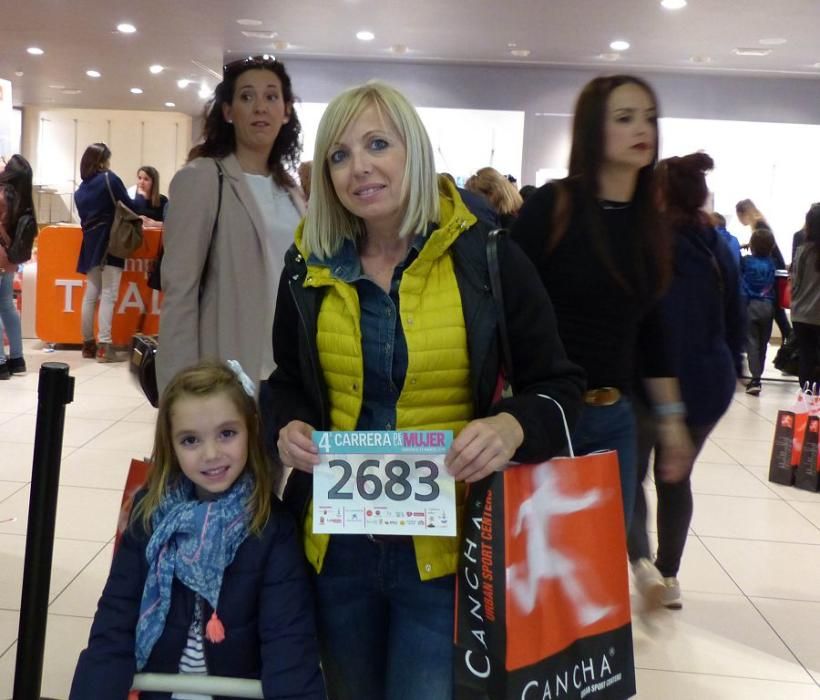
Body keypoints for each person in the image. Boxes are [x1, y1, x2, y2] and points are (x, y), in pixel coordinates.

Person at [262, 81, 584, 700]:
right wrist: (288, 425)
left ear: (414, 150)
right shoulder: (307, 266)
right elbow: (288, 381)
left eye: (377, 144)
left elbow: (557, 384)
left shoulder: (487, 259)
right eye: (339, 154)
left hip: (447, 553)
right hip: (338, 547)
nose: (359, 167)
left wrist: (509, 426)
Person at [70, 360, 325, 699]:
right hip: (160, 690)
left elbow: (290, 645)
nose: (211, 454)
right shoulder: (148, 516)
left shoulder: (271, 528)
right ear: (170, 446)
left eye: (227, 433)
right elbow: (115, 622)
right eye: (190, 440)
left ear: (251, 431)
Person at [511, 74, 692, 529]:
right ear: (594, 130)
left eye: (649, 118)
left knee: (598, 562)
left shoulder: (649, 223)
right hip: (546, 413)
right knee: (539, 556)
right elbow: (505, 307)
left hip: (615, 416)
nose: (642, 130)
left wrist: (671, 423)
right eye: (625, 118)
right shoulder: (553, 206)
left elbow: (651, 330)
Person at [627, 153, 745, 610]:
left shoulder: (646, 243)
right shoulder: (719, 244)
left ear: (657, 192)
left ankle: (640, 563)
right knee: (676, 478)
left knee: (631, 476)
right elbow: (734, 319)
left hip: (648, 382)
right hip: (707, 380)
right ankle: (670, 573)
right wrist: (729, 368)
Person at [157, 55, 306, 395]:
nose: (260, 107)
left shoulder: (292, 191)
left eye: (271, 97)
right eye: (246, 96)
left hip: (289, 375)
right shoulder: (204, 178)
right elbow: (180, 292)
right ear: (227, 111)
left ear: (285, 112)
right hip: (229, 368)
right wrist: (177, 393)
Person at [74, 143, 136, 362]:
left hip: (90, 246)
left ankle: (88, 344)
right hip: (111, 243)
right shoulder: (109, 179)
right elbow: (129, 204)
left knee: (90, 296)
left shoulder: (79, 191)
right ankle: (105, 347)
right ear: (102, 160)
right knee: (109, 295)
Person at [0, 154, 36, 378]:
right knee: (7, 306)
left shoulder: (1, 195)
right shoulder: (23, 198)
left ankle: (1, 363)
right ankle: (17, 358)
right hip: (10, 259)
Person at [736, 198, 791, 342]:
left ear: (744, 213)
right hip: (774, 267)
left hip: (771, 268)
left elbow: (765, 245)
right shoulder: (760, 223)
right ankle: (790, 340)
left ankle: (791, 340)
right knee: (777, 308)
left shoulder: (759, 225)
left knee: (777, 309)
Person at [740, 226, 777, 395]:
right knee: (763, 343)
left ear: (752, 245)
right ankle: (759, 374)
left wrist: (744, 248)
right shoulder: (772, 263)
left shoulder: (746, 261)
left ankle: (755, 379)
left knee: (752, 342)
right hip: (768, 305)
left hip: (750, 304)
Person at [789, 204, 820, 389]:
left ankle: (807, 397)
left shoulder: (802, 250)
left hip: (801, 313)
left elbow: (796, 283)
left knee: (806, 356)